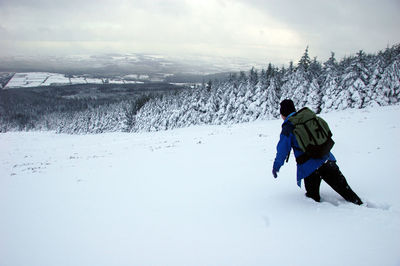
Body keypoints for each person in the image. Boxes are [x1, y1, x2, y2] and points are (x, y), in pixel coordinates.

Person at [272, 99, 363, 205]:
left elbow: (282, 151)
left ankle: (318, 218)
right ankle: (360, 205)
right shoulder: (309, 117)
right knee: (346, 191)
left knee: (313, 199)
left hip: (309, 168)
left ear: (283, 114)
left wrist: (276, 166)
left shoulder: (288, 128)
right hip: (327, 159)